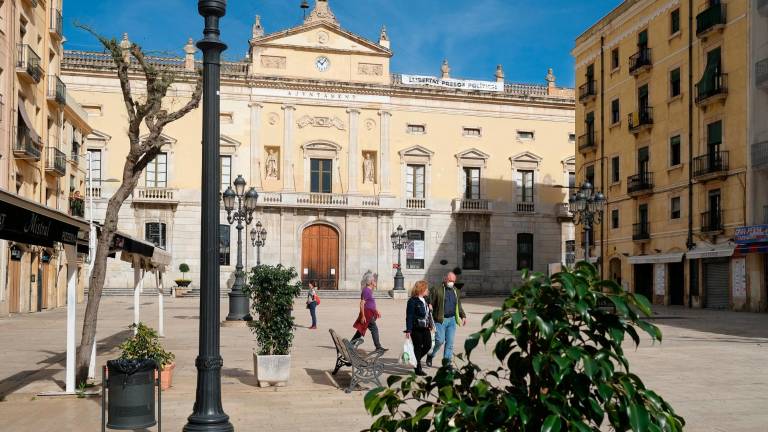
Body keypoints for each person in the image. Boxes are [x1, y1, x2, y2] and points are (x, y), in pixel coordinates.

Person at [426, 271, 467, 367]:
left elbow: (458, 305)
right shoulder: (437, 289)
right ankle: (431, 355)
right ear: (446, 279)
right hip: (440, 319)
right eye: (450, 280)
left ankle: (447, 364)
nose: (452, 283)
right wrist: (429, 304)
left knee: (450, 343)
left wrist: (463, 316)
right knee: (439, 341)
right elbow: (429, 300)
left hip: (452, 320)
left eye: (453, 281)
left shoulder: (456, 290)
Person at [351, 271, 387, 352]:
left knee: (360, 330)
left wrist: (376, 310)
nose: (375, 282)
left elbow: (370, 303)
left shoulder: (369, 290)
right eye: (374, 280)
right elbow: (362, 304)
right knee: (374, 329)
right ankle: (378, 347)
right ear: (371, 282)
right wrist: (363, 316)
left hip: (369, 313)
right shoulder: (367, 291)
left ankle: (350, 344)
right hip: (367, 314)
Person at [405, 280, 431, 376]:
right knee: (418, 347)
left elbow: (427, 314)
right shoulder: (412, 301)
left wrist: (429, 308)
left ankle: (415, 360)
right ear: (421, 289)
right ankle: (417, 368)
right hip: (416, 328)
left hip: (426, 327)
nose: (427, 290)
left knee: (428, 345)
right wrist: (408, 330)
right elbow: (409, 316)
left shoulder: (426, 299)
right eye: (426, 288)